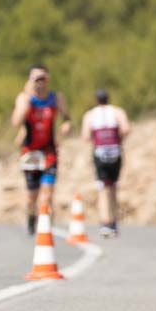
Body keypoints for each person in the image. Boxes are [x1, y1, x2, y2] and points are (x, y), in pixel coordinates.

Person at [11, 64, 70, 235]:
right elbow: (15, 122)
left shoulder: (56, 98)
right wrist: (27, 100)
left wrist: (66, 126)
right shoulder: (24, 99)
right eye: (35, 79)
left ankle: (46, 230)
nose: (39, 83)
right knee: (32, 196)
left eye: (42, 78)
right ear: (29, 81)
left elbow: (67, 118)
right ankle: (31, 216)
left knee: (47, 195)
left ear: (48, 80)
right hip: (30, 152)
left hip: (49, 151)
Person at [80, 88, 131, 237]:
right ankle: (113, 221)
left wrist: (96, 141)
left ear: (96, 100)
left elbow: (85, 136)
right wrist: (119, 140)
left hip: (100, 154)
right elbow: (126, 128)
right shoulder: (117, 112)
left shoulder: (90, 115)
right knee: (113, 187)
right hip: (115, 152)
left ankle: (105, 221)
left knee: (103, 188)